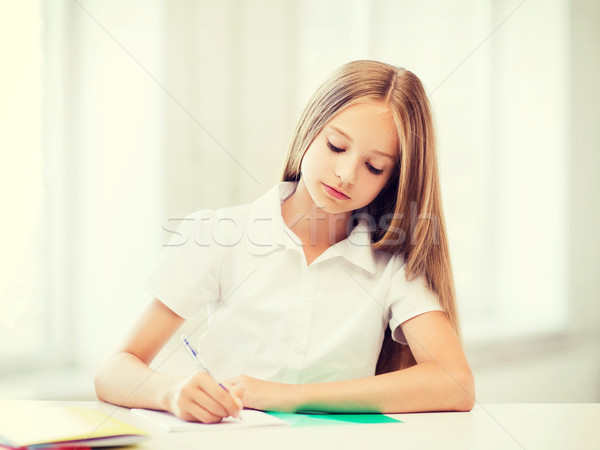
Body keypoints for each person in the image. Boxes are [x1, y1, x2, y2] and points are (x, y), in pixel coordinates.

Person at [94, 60, 475, 423]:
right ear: (310, 129)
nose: (345, 174)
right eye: (336, 147)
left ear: (391, 180)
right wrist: (171, 393)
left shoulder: (390, 264)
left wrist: (284, 396)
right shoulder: (220, 233)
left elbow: (455, 383)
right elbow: (113, 371)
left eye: (373, 167)